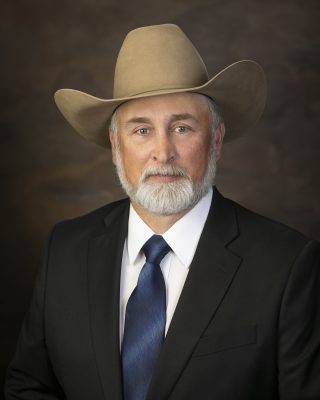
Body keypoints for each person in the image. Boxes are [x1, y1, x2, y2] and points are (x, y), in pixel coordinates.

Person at [5, 24, 320, 400]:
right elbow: (28, 387)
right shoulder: (66, 249)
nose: (163, 152)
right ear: (115, 145)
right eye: (141, 131)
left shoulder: (286, 265)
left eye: (183, 128)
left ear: (216, 140)